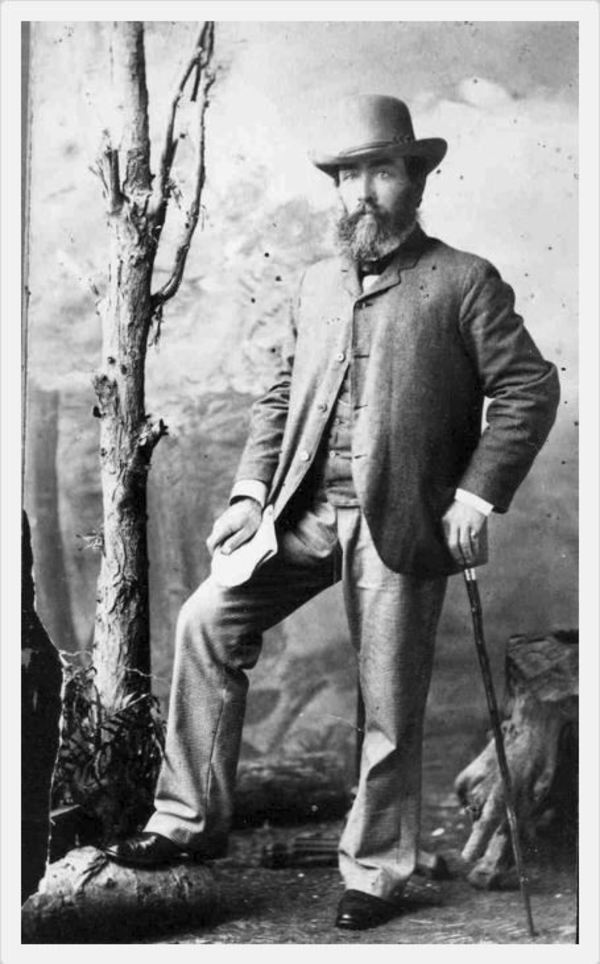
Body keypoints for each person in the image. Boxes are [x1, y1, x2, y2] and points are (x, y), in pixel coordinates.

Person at [105, 94, 560, 930]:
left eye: (379, 172)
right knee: (207, 621)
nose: (360, 194)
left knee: (388, 700)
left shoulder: (463, 281)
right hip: (303, 515)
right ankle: (188, 819)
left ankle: (377, 869)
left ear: (415, 179)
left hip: (404, 524)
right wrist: (250, 496)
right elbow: (279, 396)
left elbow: (530, 385)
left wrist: (474, 493)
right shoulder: (316, 283)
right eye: (348, 176)